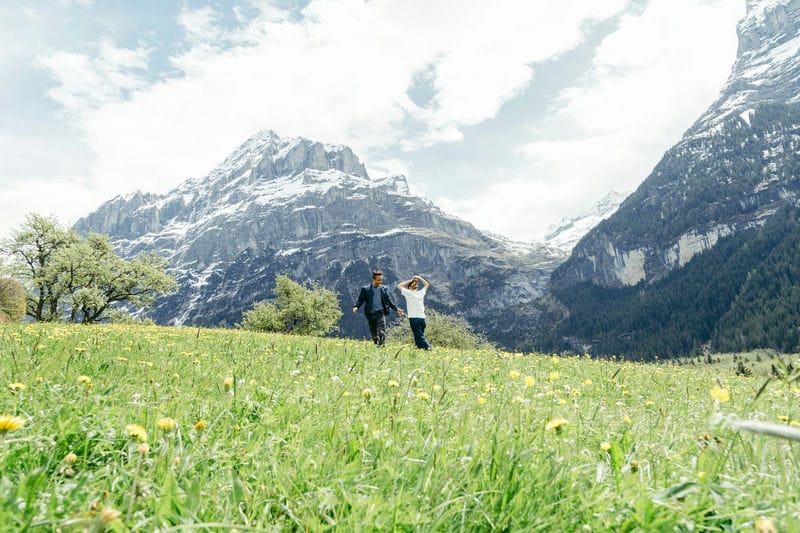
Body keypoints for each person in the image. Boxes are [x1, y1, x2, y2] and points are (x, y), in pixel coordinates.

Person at [353, 270, 404, 346]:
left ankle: (382, 346)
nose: (380, 282)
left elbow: (388, 301)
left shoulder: (383, 289)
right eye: (378, 280)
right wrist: (356, 307)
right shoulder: (366, 289)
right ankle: (376, 344)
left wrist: (396, 309)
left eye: (381, 280)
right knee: (374, 334)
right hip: (370, 314)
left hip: (380, 313)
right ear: (373, 279)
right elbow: (361, 299)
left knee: (382, 331)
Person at [397, 274, 432, 350]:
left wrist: (411, 280)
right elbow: (426, 284)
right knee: (419, 335)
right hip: (422, 318)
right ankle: (418, 349)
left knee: (419, 336)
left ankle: (429, 348)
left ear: (409, 288)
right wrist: (419, 278)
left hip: (414, 318)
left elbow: (399, 286)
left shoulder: (408, 293)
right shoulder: (420, 293)